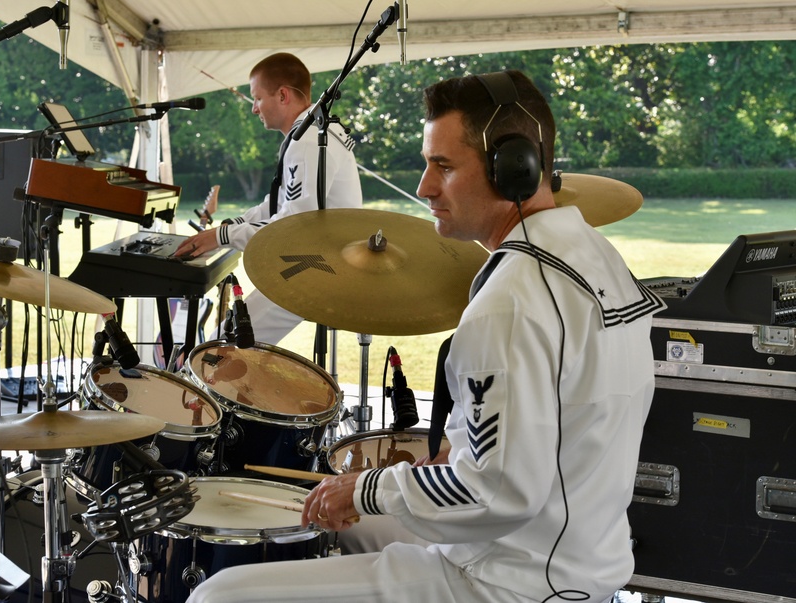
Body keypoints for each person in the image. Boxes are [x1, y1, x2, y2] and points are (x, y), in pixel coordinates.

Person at [186, 70, 665, 603]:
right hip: (583, 556)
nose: (424, 188)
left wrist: (366, 486)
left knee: (219, 595)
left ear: (513, 171)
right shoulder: (601, 262)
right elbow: (548, 436)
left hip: (508, 581)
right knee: (356, 526)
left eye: (444, 166)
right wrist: (429, 471)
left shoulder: (510, 303)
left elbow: (498, 492)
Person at [173, 53, 362, 345]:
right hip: (318, 260)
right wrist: (230, 225)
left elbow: (290, 230)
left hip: (318, 267)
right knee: (227, 338)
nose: (253, 109)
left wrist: (222, 236)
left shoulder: (309, 142)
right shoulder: (309, 133)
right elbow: (277, 204)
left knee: (222, 349)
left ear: (283, 95)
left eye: (257, 98)